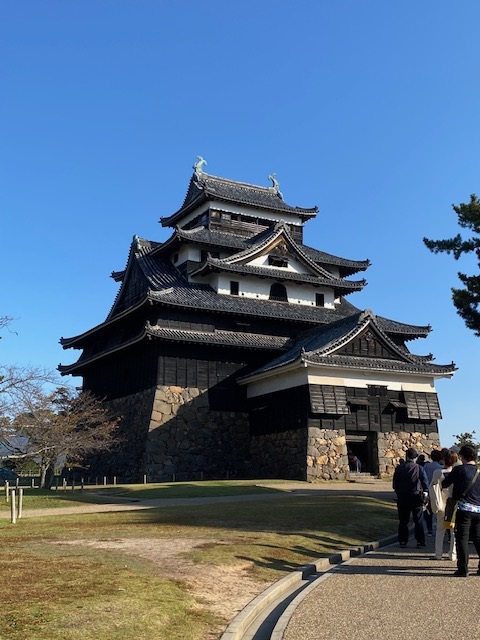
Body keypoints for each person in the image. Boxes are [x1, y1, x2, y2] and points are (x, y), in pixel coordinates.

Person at [442, 444, 480, 577]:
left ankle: (463, 568)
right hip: (478, 509)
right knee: (477, 538)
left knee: (462, 539)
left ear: (461, 456)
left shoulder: (459, 470)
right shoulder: (478, 472)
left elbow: (445, 484)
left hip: (464, 508)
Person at [393, 447, 429, 548]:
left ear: (407, 456)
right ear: (416, 457)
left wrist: (399, 493)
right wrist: (425, 495)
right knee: (418, 520)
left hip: (403, 497)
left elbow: (395, 484)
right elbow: (425, 483)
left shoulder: (399, 468)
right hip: (416, 496)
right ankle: (420, 541)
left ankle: (403, 540)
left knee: (403, 520)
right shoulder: (419, 468)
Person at [429, 449, 458, 561]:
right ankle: (453, 554)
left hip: (441, 502)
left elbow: (432, 487)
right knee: (453, 531)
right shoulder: (456, 473)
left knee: (440, 530)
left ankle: (438, 553)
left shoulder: (437, 472)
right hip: (453, 504)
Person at [423, 449, 444, 536]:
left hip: (429, 489)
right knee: (440, 510)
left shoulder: (427, 466)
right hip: (438, 490)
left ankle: (429, 530)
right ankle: (441, 528)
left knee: (429, 512)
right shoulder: (441, 467)